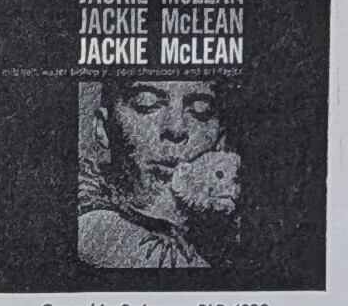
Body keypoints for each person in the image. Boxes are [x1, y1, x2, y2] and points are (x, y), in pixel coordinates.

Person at [77, 74, 242, 271]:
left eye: (201, 109)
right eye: (146, 102)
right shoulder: (92, 223)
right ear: (103, 128)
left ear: (221, 137)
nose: (176, 129)